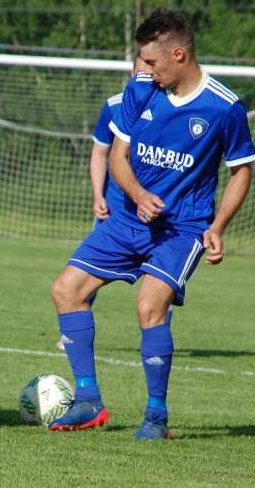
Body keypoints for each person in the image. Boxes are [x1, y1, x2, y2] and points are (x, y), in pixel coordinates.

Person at [48, 9, 255, 440]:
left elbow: (241, 172)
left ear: (178, 55)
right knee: (66, 290)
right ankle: (88, 401)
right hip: (128, 219)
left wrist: (217, 227)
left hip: (182, 229)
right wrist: (139, 196)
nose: (145, 71)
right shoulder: (140, 92)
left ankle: (156, 416)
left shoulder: (223, 107)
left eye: (151, 63)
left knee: (149, 304)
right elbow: (117, 158)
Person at [56, 54, 148, 350]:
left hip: (152, 212)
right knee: (85, 271)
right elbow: (99, 153)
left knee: (158, 279)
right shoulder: (114, 106)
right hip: (115, 209)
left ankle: (153, 339)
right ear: (132, 71)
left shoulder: (169, 109)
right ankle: (72, 329)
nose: (146, 74)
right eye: (141, 68)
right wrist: (98, 195)